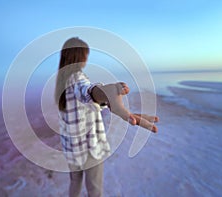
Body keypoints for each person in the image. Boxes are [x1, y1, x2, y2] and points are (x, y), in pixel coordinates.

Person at [55, 37, 159, 197]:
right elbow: (87, 90)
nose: (86, 60)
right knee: (94, 190)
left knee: (75, 183)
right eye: (85, 55)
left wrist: (108, 103)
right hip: (89, 149)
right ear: (79, 56)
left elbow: (84, 103)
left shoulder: (61, 82)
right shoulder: (77, 77)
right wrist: (107, 93)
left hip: (71, 149)